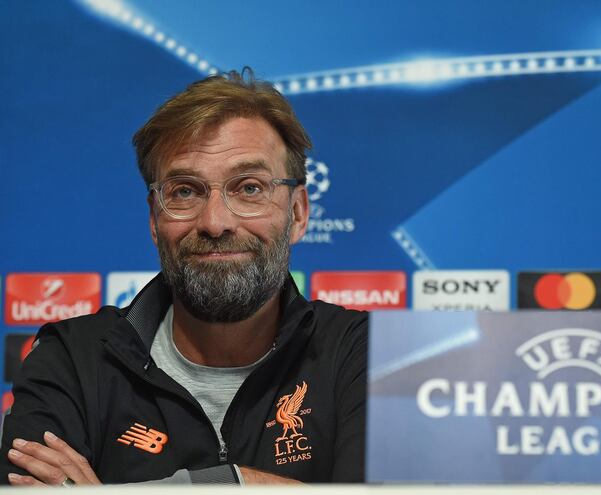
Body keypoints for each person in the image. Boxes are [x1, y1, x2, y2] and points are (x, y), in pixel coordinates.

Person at [0, 69, 368, 485]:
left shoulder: (369, 355)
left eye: (248, 188)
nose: (215, 222)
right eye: (185, 191)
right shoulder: (70, 359)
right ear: (154, 219)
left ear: (298, 213)